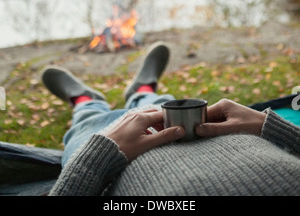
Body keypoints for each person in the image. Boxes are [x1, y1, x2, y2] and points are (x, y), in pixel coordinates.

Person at [41, 42, 300, 196]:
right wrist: (270, 126)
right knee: (158, 108)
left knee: (91, 124)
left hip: (114, 160)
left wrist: (99, 153)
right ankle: (143, 91)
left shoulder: (101, 151)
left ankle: (85, 101)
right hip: (200, 130)